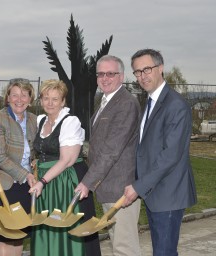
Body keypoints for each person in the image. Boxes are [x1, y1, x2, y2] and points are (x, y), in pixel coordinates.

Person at [123, 48, 197, 256]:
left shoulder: (176, 105)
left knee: (164, 252)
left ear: (161, 68)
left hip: (168, 193)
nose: (142, 76)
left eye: (146, 69)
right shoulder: (150, 101)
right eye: (137, 72)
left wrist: (139, 186)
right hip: (155, 192)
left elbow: (170, 155)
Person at [75, 55, 142, 256]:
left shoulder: (126, 103)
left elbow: (111, 150)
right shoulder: (106, 101)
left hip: (121, 189)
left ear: (121, 76)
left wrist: (87, 182)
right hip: (109, 187)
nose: (105, 78)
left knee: (124, 248)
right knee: (117, 244)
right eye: (101, 74)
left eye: (110, 74)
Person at [29, 79, 101, 256]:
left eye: (55, 99)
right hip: (46, 183)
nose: (50, 103)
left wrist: (42, 182)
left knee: (67, 226)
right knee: (46, 227)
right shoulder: (40, 121)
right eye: (46, 98)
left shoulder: (70, 122)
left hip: (65, 182)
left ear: (63, 101)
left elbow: (66, 160)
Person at [0, 78, 37, 256]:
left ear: (30, 99)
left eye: (24, 95)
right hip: (2, 184)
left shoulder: (35, 121)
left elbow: (37, 150)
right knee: (4, 236)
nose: (19, 99)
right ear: (7, 98)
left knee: (18, 235)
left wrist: (35, 163)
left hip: (24, 187)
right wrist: (25, 174)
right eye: (14, 95)